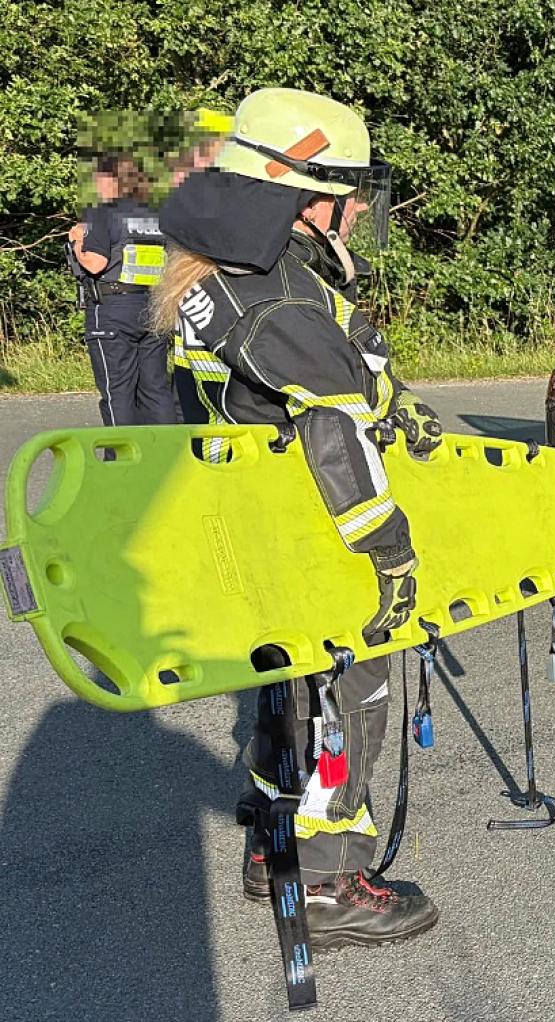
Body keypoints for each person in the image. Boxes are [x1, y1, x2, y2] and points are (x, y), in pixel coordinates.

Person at [150, 88, 441, 946]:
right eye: (345, 192)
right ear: (296, 194)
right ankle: (324, 881)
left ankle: (273, 848)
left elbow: (341, 357)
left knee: (287, 695)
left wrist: (397, 393)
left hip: (252, 534)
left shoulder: (217, 275)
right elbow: (333, 424)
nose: (356, 210)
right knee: (351, 695)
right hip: (317, 538)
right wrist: (390, 555)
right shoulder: (275, 294)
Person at [68, 153, 179, 426]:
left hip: (113, 309)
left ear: (109, 180)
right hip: (153, 307)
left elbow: (95, 264)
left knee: (117, 391)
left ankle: (121, 460)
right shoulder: (156, 217)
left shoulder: (103, 213)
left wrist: (76, 244)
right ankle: (164, 453)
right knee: (155, 390)